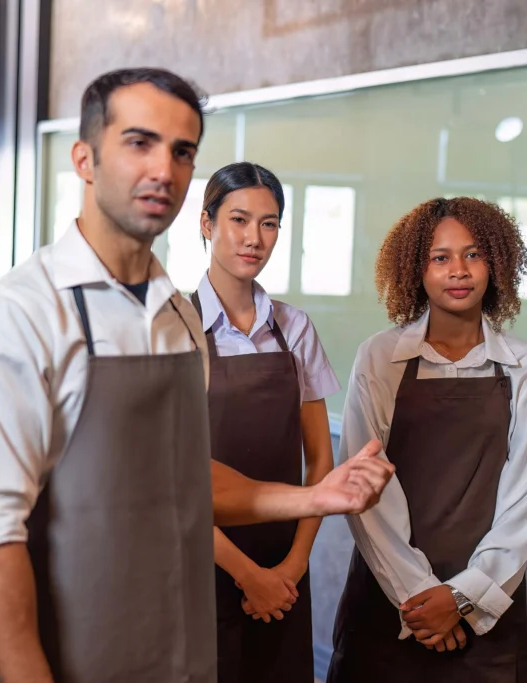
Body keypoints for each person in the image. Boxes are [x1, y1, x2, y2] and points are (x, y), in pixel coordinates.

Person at [0, 68, 393, 683]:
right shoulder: (13, 316)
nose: (163, 169)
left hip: (182, 650)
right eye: (139, 143)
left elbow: (183, 481)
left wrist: (317, 497)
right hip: (71, 659)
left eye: (182, 152)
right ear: (85, 158)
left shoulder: (174, 317)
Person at [327, 197, 527, 682]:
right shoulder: (380, 358)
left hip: (486, 606)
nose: (459, 270)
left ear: (496, 264)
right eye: (440, 257)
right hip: (391, 599)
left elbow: (526, 498)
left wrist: (461, 597)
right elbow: (365, 489)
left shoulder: (526, 368)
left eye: (474, 255)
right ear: (417, 268)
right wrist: (418, 596)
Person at [190, 161, 343, 683]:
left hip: (283, 566)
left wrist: (292, 567)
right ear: (207, 224)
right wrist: (246, 574)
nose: (254, 237)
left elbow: (320, 459)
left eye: (270, 222)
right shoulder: (172, 330)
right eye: (239, 219)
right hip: (197, 560)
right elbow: (164, 478)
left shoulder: (295, 329)